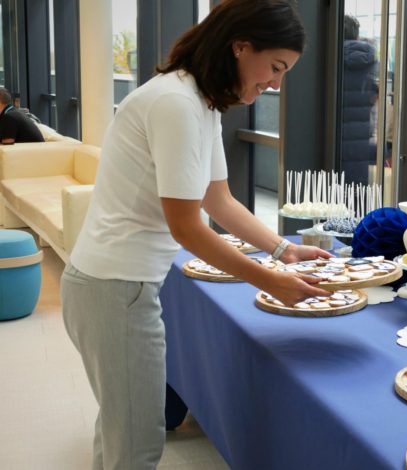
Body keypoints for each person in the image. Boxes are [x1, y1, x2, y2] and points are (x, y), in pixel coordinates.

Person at [60, 1, 331, 468]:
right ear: (240, 47)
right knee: (136, 445)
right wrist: (268, 281)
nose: (275, 83)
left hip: (114, 283)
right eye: (275, 67)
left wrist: (284, 249)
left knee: (120, 432)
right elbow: (186, 227)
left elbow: (218, 200)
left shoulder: (201, 102)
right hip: (114, 285)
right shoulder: (177, 104)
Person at [340, 14, 379, 185]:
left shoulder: (329, 58)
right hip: (361, 139)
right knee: (357, 194)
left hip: (334, 138)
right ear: (356, 35)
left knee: (325, 193)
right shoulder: (373, 63)